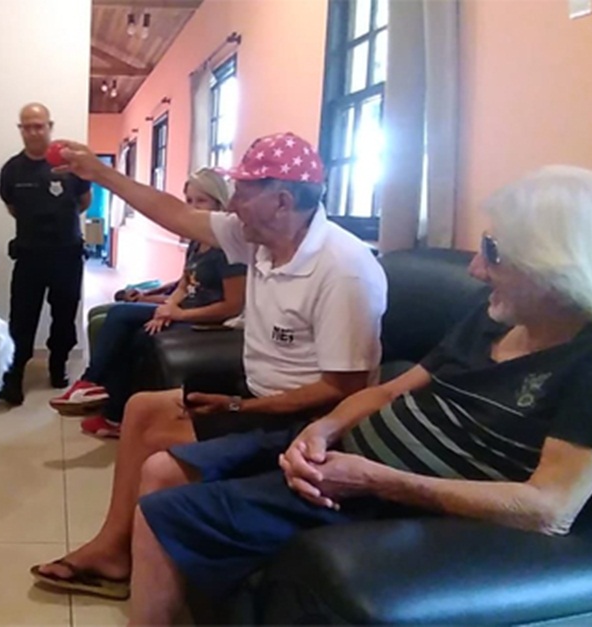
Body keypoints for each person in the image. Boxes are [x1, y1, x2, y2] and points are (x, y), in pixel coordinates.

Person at [126, 166, 592, 625]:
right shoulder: (494, 316)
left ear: (556, 266)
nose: (475, 269)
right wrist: (321, 429)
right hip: (345, 457)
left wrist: (373, 478)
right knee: (164, 470)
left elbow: (549, 508)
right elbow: (391, 388)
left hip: (384, 497)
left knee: (161, 515)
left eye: (494, 252)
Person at [29, 132, 387, 600]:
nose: (232, 204)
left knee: (158, 455)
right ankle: (113, 549)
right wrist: (99, 174)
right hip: (257, 394)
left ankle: (142, 560)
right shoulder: (259, 238)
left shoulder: (344, 269)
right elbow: (175, 214)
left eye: (243, 192)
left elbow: (345, 389)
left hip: (304, 419)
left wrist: (239, 407)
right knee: (140, 407)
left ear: (281, 201)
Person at [50, 169, 247, 439]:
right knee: (128, 330)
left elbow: (232, 306)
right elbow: (184, 285)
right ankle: (113, 414)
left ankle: (91, 382)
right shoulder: (196, 242)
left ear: (218, 204)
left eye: (201, 201)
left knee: (120, 315)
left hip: (204, 321)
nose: (192, 208)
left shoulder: (227, 248)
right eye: (188, 201)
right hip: (183, 311)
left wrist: (176, 314)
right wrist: (165, 307)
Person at [0, 103, 93, 405]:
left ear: (49, 127)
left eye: (38, 125)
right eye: (27, 126)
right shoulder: (12, 170)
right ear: (20, 130)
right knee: (21, 319)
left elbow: (84, 201)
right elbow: (12, 207)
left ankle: (58, 364)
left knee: (64, 316)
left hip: (66, 254)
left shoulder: (69, 164)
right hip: (29, 256)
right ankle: (13, 378)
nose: (33, 132)